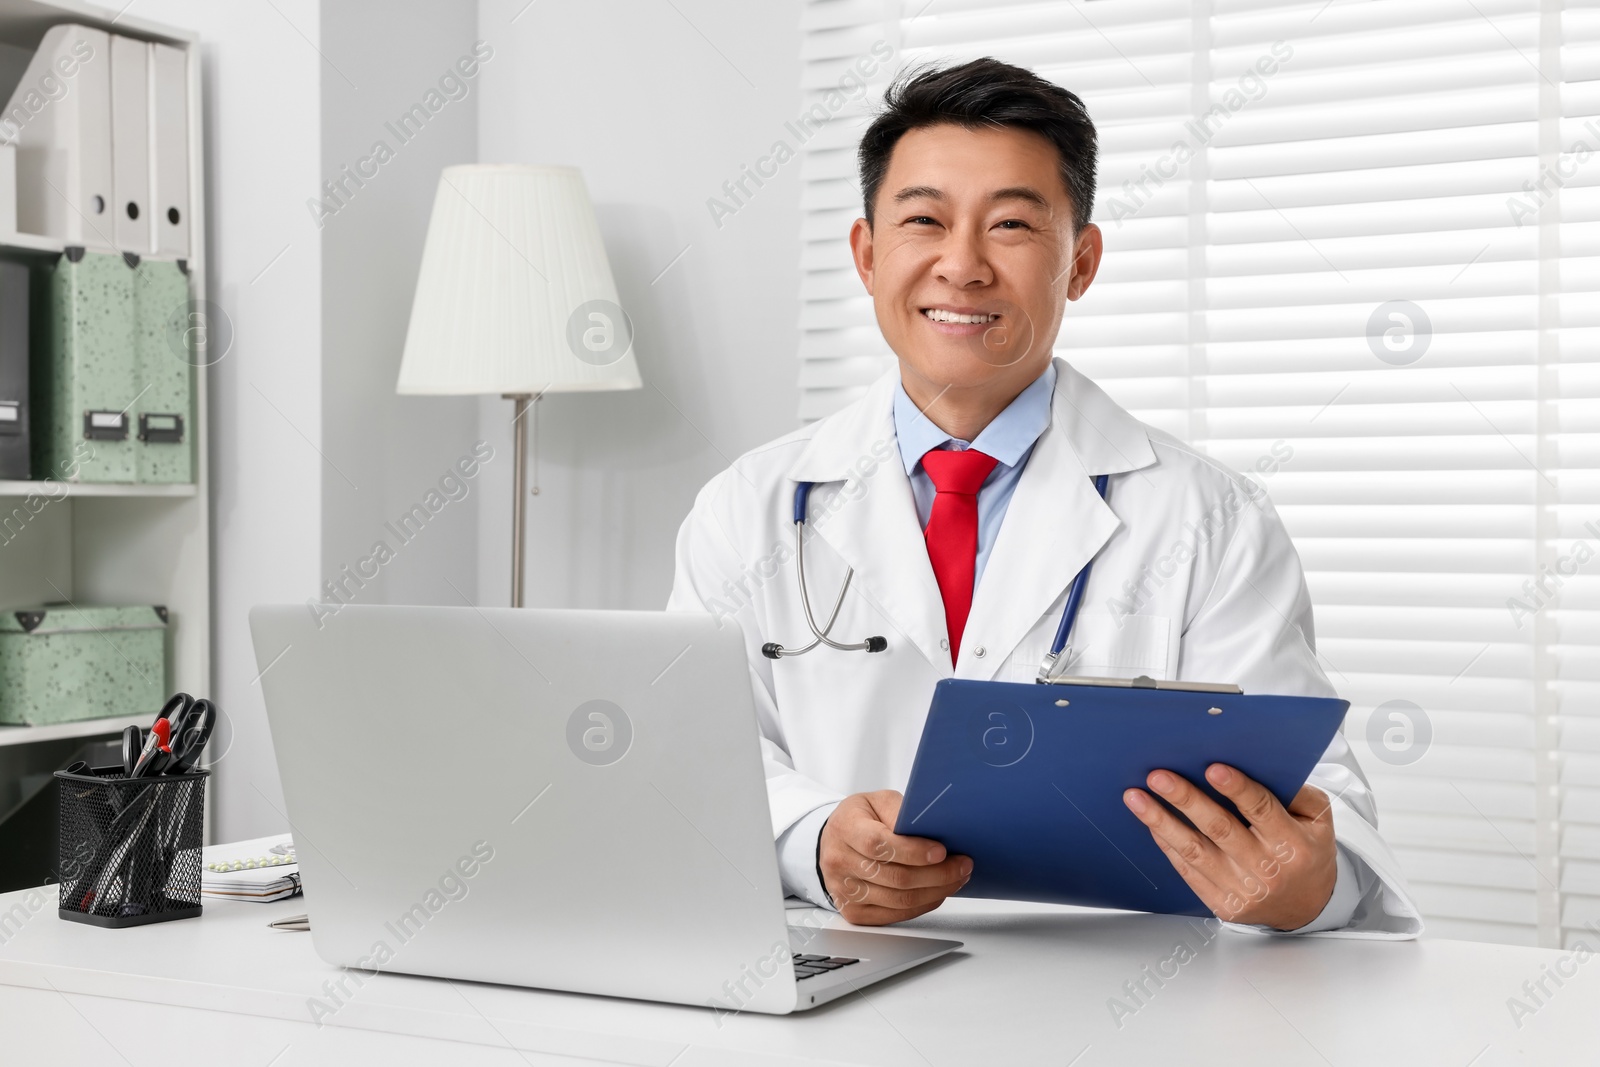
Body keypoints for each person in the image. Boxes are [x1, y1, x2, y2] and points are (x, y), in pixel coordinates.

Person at [668, 58, 1421, 938]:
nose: (963, 265)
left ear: (1082, 262)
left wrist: (1302, 887)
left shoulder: (1209, 518)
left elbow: (1324, 815)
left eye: (1013, 225)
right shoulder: (750, 507)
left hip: (1121, 999)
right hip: (842, 976)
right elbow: (694, 754)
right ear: (868, 257)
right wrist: (810, 837)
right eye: (924, 220)